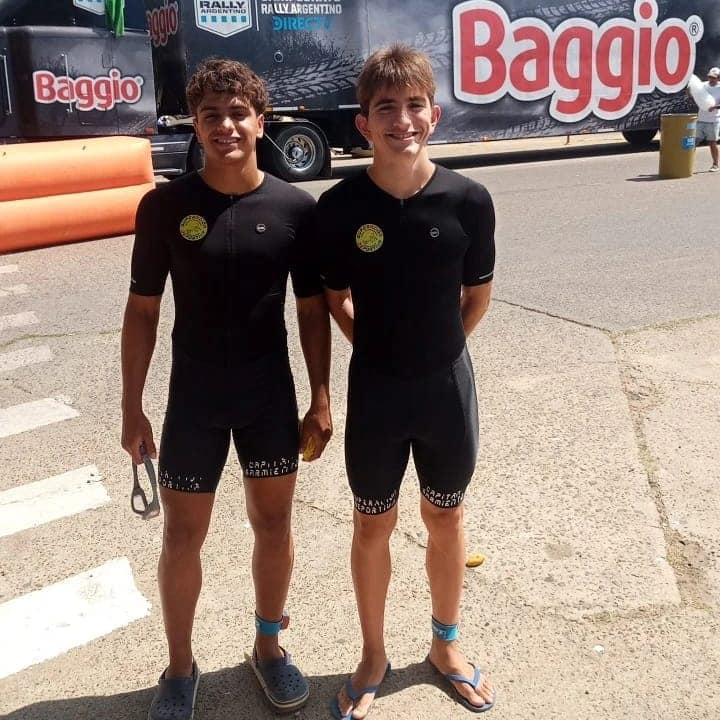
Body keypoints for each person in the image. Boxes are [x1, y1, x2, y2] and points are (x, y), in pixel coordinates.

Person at [120, 58, 332, 719]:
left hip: (268, 396)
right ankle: (180, 666)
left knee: (273, 524)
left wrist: (321, 396)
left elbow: (312, 310)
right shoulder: (164, 208)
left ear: (261, 121)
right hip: (196, 401)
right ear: (196, 124)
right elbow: (143, 311)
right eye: (211, 115)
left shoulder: (296, 208)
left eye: (239, 113)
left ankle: (269, 647)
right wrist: (132, 408)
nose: (226, 126)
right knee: (182, 537)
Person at [316, 45, 496, 717]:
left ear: (434, 114)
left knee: (446, 515)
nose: (402, 120)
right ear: (363, 123)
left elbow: (477, 298)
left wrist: (436, 352)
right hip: (377, 394)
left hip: (445, 387)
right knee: (372, 525)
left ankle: (446, 646)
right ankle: (373, 654)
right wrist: (380, 350)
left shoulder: (468, 200)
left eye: (415, 105)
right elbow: (334, 298)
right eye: (386, 108)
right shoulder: (339, 206)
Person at [695, 66, 720, 172]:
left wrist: (715, 107)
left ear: (718, 78)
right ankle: (686, 163)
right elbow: (695, 95)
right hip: (701, 119)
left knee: (712, 142)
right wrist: (690, 93)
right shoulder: (702, 85)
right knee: (693, 142)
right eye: (710, 77)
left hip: (713, 120)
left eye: (714, 77)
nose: (711, 79)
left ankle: (715, 164)